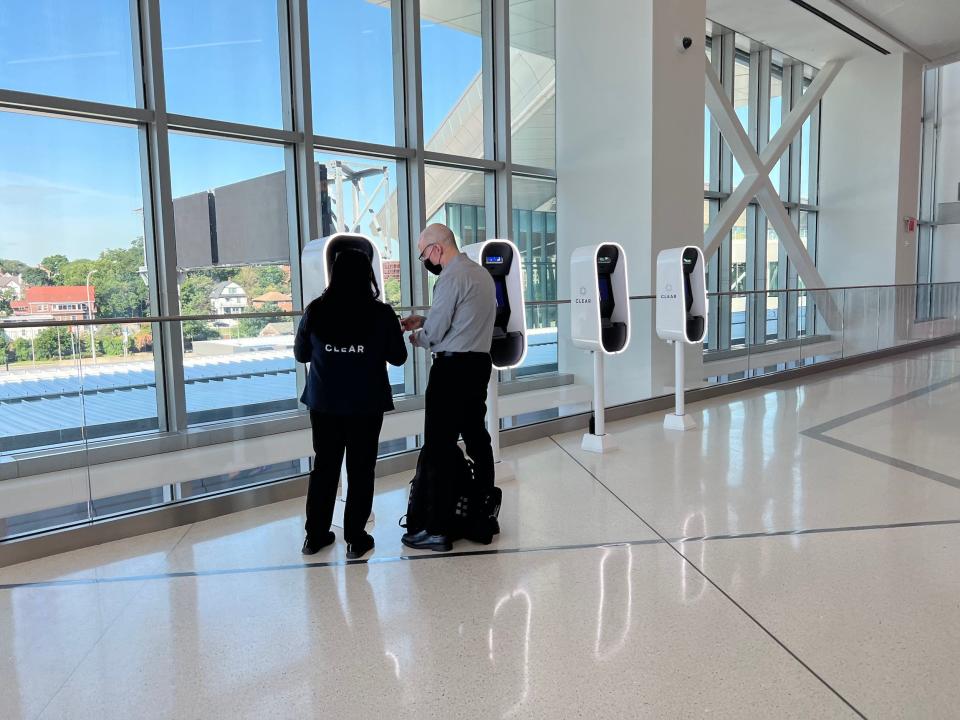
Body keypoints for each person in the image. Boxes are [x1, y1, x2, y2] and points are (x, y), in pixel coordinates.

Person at [294, 248, 407, 559]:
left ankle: (315, 536)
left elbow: (301, 354)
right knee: (361, 469)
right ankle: (356, 538)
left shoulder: (315, 310)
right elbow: (398, 357)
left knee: (325, 468)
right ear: (368, 275)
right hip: (365, 404)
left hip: (324, 403)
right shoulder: (381, 313)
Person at [400, 223, 496, 552]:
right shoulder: (481, 274)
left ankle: (436, 529)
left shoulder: (450, 277)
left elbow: (438, 333)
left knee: (439, 446)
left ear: (437, 249)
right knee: (477, 438)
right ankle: (483, 513)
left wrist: (418, 336)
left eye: (423, 254)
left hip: (451, 370)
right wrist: (424, 320)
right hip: (478, 366)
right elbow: (462, 321)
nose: (425, 260)